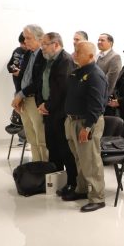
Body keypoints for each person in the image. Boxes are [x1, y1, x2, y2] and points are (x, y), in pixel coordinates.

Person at [63, 40, 109, 213]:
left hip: (87, 122)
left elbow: (97, 105)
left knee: (91, 162)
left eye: (78, 52)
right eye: (74, 50)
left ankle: (98, 197)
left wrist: (87, 127)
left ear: (90, 56)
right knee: (79, 159)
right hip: (72, 121)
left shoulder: (95, 75)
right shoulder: (77, 72)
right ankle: (82, 189)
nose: (74, 54)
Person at [36, 32, 76, 196]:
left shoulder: (65, 60)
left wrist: (47, 105)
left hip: (60, 112)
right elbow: (41, 83)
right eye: (42, 44)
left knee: (65, 150)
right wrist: (40, 103)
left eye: (45, 44)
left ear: (56, 44)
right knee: (52, 148)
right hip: (48, 110)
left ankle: (72, 183)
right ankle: (56, 181)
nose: (42, 47)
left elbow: (61, 89)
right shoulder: (48, 60)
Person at [12, 24, 49, 162]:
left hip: (35, 100)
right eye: (24, 38)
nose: (25, 41)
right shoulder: (28, 54)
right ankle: (36, 164)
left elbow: (39, 81)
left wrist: (20, 94)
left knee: (41, 137)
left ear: (39, 38)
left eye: (28, 38)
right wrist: (18, 95)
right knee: (31, 136)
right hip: (24, 99)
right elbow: (20, 77)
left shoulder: (44, 55)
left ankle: (44, 166)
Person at [96, 33, 122, 101]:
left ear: (110, 43)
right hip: (94, 94)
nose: (99, 42)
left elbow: (111, 81)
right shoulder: (97, 55)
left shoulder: (115, 57)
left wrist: (104, 97)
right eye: (98, 40)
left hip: (102, 97)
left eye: (102, 40)